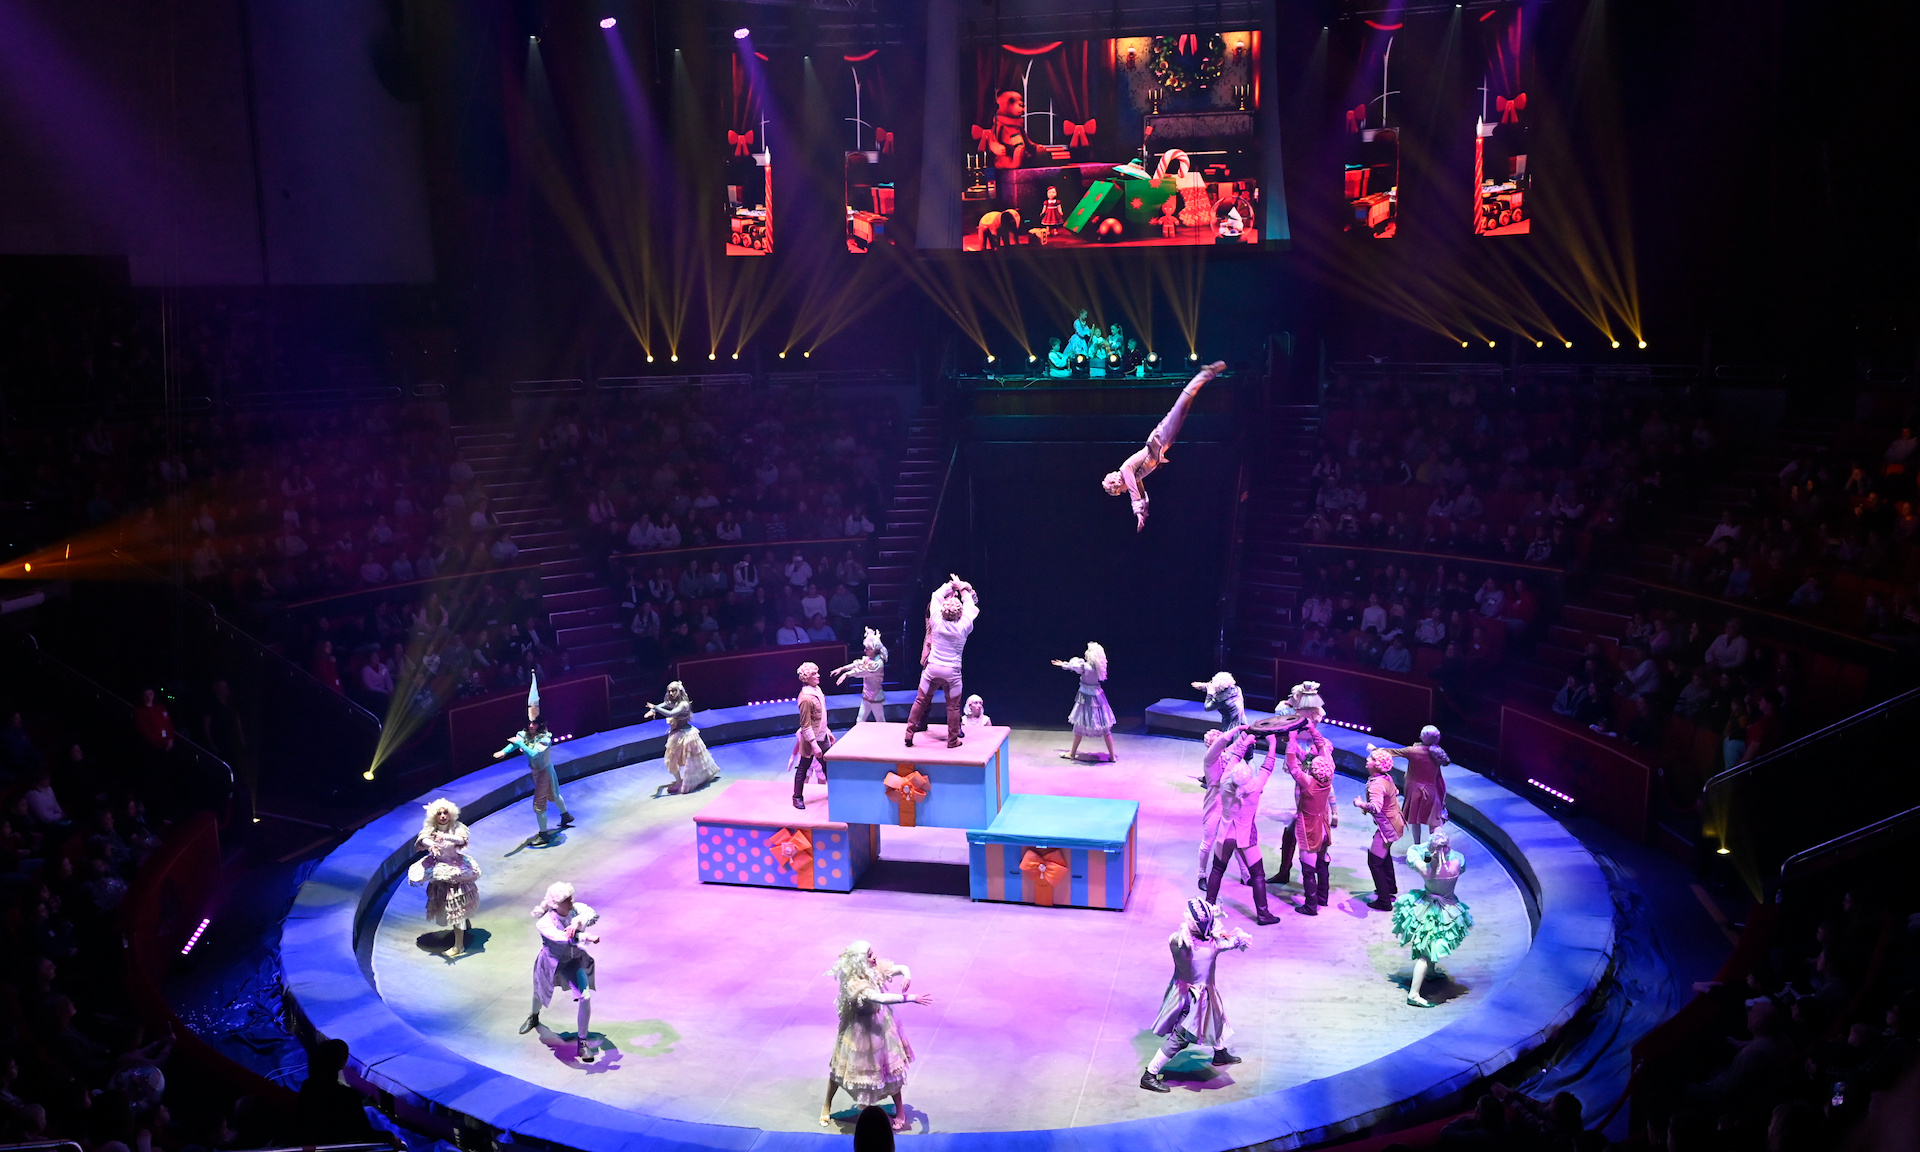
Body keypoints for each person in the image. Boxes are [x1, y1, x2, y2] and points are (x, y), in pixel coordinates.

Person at [1140, 899, 1250, 1092]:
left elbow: (1191, 935)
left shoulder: (1175, 940)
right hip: (1198, 1000)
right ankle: (1150, 1073)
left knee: (1216, 1018)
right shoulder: (1213, 946)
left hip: (1181, 992)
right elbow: (1237, 940)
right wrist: (1225, 934)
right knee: (1180, 1037)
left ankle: (1220, 1053)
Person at [1102, 360, 1225, 531]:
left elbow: (1134, 493)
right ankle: (1204, 376)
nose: (1123, 491)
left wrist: (1137, 511)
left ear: (1117, 483)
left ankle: (1205, 373)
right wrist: (1143, 514)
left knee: (1180, 407)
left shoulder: (1126, 470)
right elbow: (1141, 493)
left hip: (1158, 440)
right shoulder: (1134, 477)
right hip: (1162, 445)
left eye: (1119, 490)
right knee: (1183, 409)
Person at [822, 941, 932, 1131]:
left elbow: (902, 968)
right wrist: (910, 998)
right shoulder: (855, 985)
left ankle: (900, 1111)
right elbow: (879, 998)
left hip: (881, 1026)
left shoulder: (874, 969)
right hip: (860, 1033)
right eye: (869, 956)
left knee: (891, 1071)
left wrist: (907, 976)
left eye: (873, 953)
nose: (874, 957)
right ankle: (827, 1105)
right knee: (839, 1072)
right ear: (859, 962)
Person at [1205, 731, 1282, 925]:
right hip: (1246, 837)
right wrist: (1272, 744)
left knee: (1217, 870)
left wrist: (1246, 741)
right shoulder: (1255, 786)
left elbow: (1233, 759)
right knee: (1258, 875)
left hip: (1225, 834)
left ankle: (1208, 910)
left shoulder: (1225, 782)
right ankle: (1263, 914)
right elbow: (1267, 767)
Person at [519, 881, 601, 1063]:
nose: (571, 901)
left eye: (570, 897)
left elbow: (591, 914)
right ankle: (534, 1016)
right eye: (566, 899)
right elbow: (564, 938)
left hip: (573, 961)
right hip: (551, 962)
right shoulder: (544, 923)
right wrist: (586, 935)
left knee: (585, 997)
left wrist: (576, 922)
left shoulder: (576, 910)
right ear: (556, 904)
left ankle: (582, 1042)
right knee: (539, 993)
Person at [1393, 829, 1472, 1007]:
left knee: (1430, 947)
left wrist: (1430, 849)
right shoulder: (1456, 863)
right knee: (1427, 952)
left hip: (1427, 908)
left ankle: (1430, 972)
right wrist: (1442, 848)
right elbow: (1457, 857)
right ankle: (1413, 994)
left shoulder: (1425, 868)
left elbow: (1413, 851)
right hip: (1447, 910)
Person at [494, 676, 572, 840]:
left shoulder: (545, 739)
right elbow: (515, 742)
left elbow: (534, 753)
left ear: (540, 723)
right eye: (529, 723)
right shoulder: (525, 735)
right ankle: (565, 815)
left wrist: (520, 744)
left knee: (540, 803)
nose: (531, 726)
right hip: (536, 771)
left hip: (544, 771)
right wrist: (504, 751)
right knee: (554, 795)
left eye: (534, 723)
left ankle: (543, 834)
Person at [905, 576, 979, 749]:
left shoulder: (936, 619)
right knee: (953, 707)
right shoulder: (964, 625)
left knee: (920, 701)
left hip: (933, 668)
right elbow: (970, 606)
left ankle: (909, 734)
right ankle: (952, 741)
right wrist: (961, 587)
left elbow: (936, 595)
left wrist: (950, 585)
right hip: (952, 672)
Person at [411, 798, 481, 957]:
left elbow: (461, 839)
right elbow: (422, 838)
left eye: (445, 813)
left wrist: (445, 837)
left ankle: (459, 946)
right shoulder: (431, 828)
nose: (443, 816)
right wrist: (432, 845)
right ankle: (464, 924)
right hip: (439, 870)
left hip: (455, 870)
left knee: (456, 907)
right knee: (444, 903)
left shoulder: (456, 827)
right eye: (439, 813)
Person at [645, 681, 721, 795]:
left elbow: (671, 714)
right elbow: (664, 704)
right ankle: (679, 781)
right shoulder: (674, 702)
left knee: (691, 760)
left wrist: (654, 707)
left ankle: (689, 780)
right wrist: (653, 710)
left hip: (686, 735)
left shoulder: (683, 704)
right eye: (669, 691)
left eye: (673, 691)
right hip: (677, 734)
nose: (671, 693)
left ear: (679, 691)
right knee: (671, 758)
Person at [1353, 748, 1406, 911]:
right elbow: (1395, 792)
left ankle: (1384, 901)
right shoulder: (1386, 778)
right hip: (1396, 822)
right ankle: (1389, 888)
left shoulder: (1376, 785)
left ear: (1377, 765)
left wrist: (1360, 804)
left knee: (1375, 862)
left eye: (1371, 759)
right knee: (1383, 855)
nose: (1367, 760)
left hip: (1388, 827)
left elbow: (1375, 807)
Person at [1378, 726, 1448, 845]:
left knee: (1415, 819)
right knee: (1435, 822)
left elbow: (1393, 752)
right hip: (1432, 790)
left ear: (1423, 737)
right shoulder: (1438, 752)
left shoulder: (1413, 751)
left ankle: (1417, 844)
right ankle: (1438, 847)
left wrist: (1375, 749)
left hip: (1415, 790)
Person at [1052, 642, 1116, 762]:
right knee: (1105, 728)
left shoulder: (1086, 667)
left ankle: (1072, 753)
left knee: (1079, 726)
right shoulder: (1097, 668)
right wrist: (1064, 664)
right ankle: (1112, 756)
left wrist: (1063, 664)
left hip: (1086, 698)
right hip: (1097, 696)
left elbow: (1074, 666)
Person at [791, 662, 834, 810]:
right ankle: (797, 797)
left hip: (823, 736)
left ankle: (835, 793)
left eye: (817, 672)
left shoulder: (817, 690)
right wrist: (814, 746)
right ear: (807, 677)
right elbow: (806, 725)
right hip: (811, 740)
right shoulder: (806, 698)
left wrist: (827, 731)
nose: (818, 675)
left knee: (828, 767)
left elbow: (820, 717)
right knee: (803, 767)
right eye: (814, 674)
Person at [831, 628, 891, 724]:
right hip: (866, 694)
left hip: (875, 696)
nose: (865, 650)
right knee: (860, 720)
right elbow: (857, 664)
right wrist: (842, 669)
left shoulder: (877, 664)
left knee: (880, 720)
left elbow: (862, 671)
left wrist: (847, 674)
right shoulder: (868, 659)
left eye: (867, 648)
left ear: (873, 650)